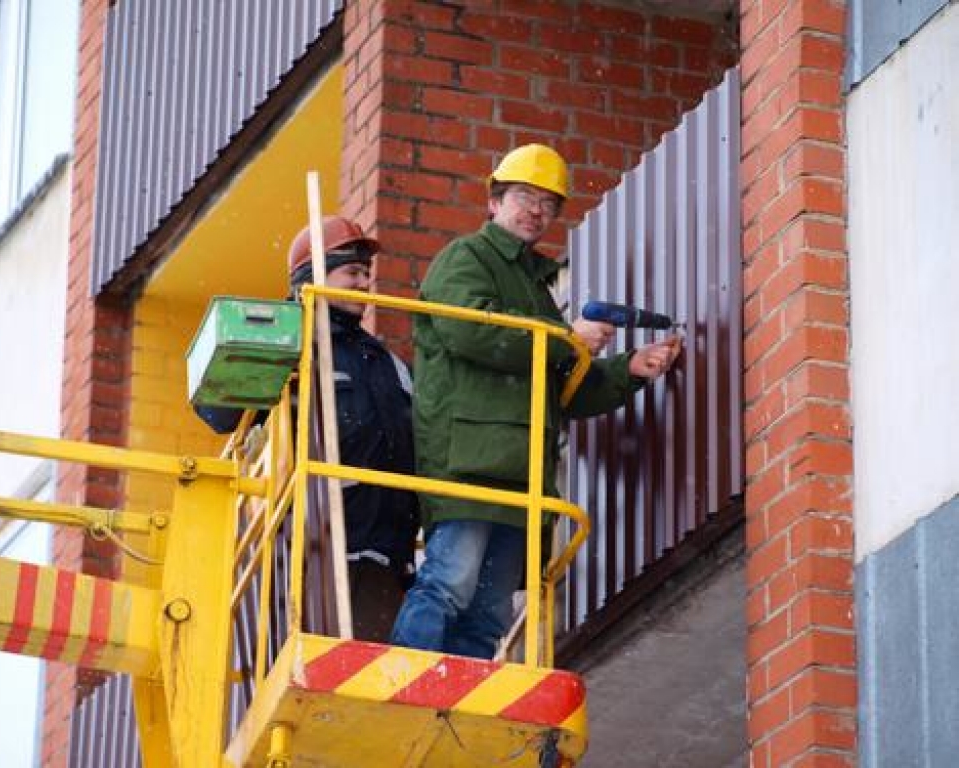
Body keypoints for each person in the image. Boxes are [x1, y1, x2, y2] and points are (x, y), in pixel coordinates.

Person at [390, 143, 682, 660]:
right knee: (449, 583)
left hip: (522, 472)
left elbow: (563, 387)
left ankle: (459, 694)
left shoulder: (535, 286)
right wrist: (566, 337)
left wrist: (629, 368)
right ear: (494, 201)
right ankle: (407, 678)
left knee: (489, 611)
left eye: (548, 204)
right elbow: (472, 333)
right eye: (525, 196)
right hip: (468, 461)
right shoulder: (466, 258)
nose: (536, 211)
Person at [196, 216, 420, 643]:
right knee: (327, 663)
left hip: (385, 554)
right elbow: (218, 412)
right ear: (314, 276)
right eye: (352, 272)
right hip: (314, 550)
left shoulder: (386, 364)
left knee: (369, 670)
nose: (364, 284)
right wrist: (257, 343)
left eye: (367, 274)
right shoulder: (291, 344)